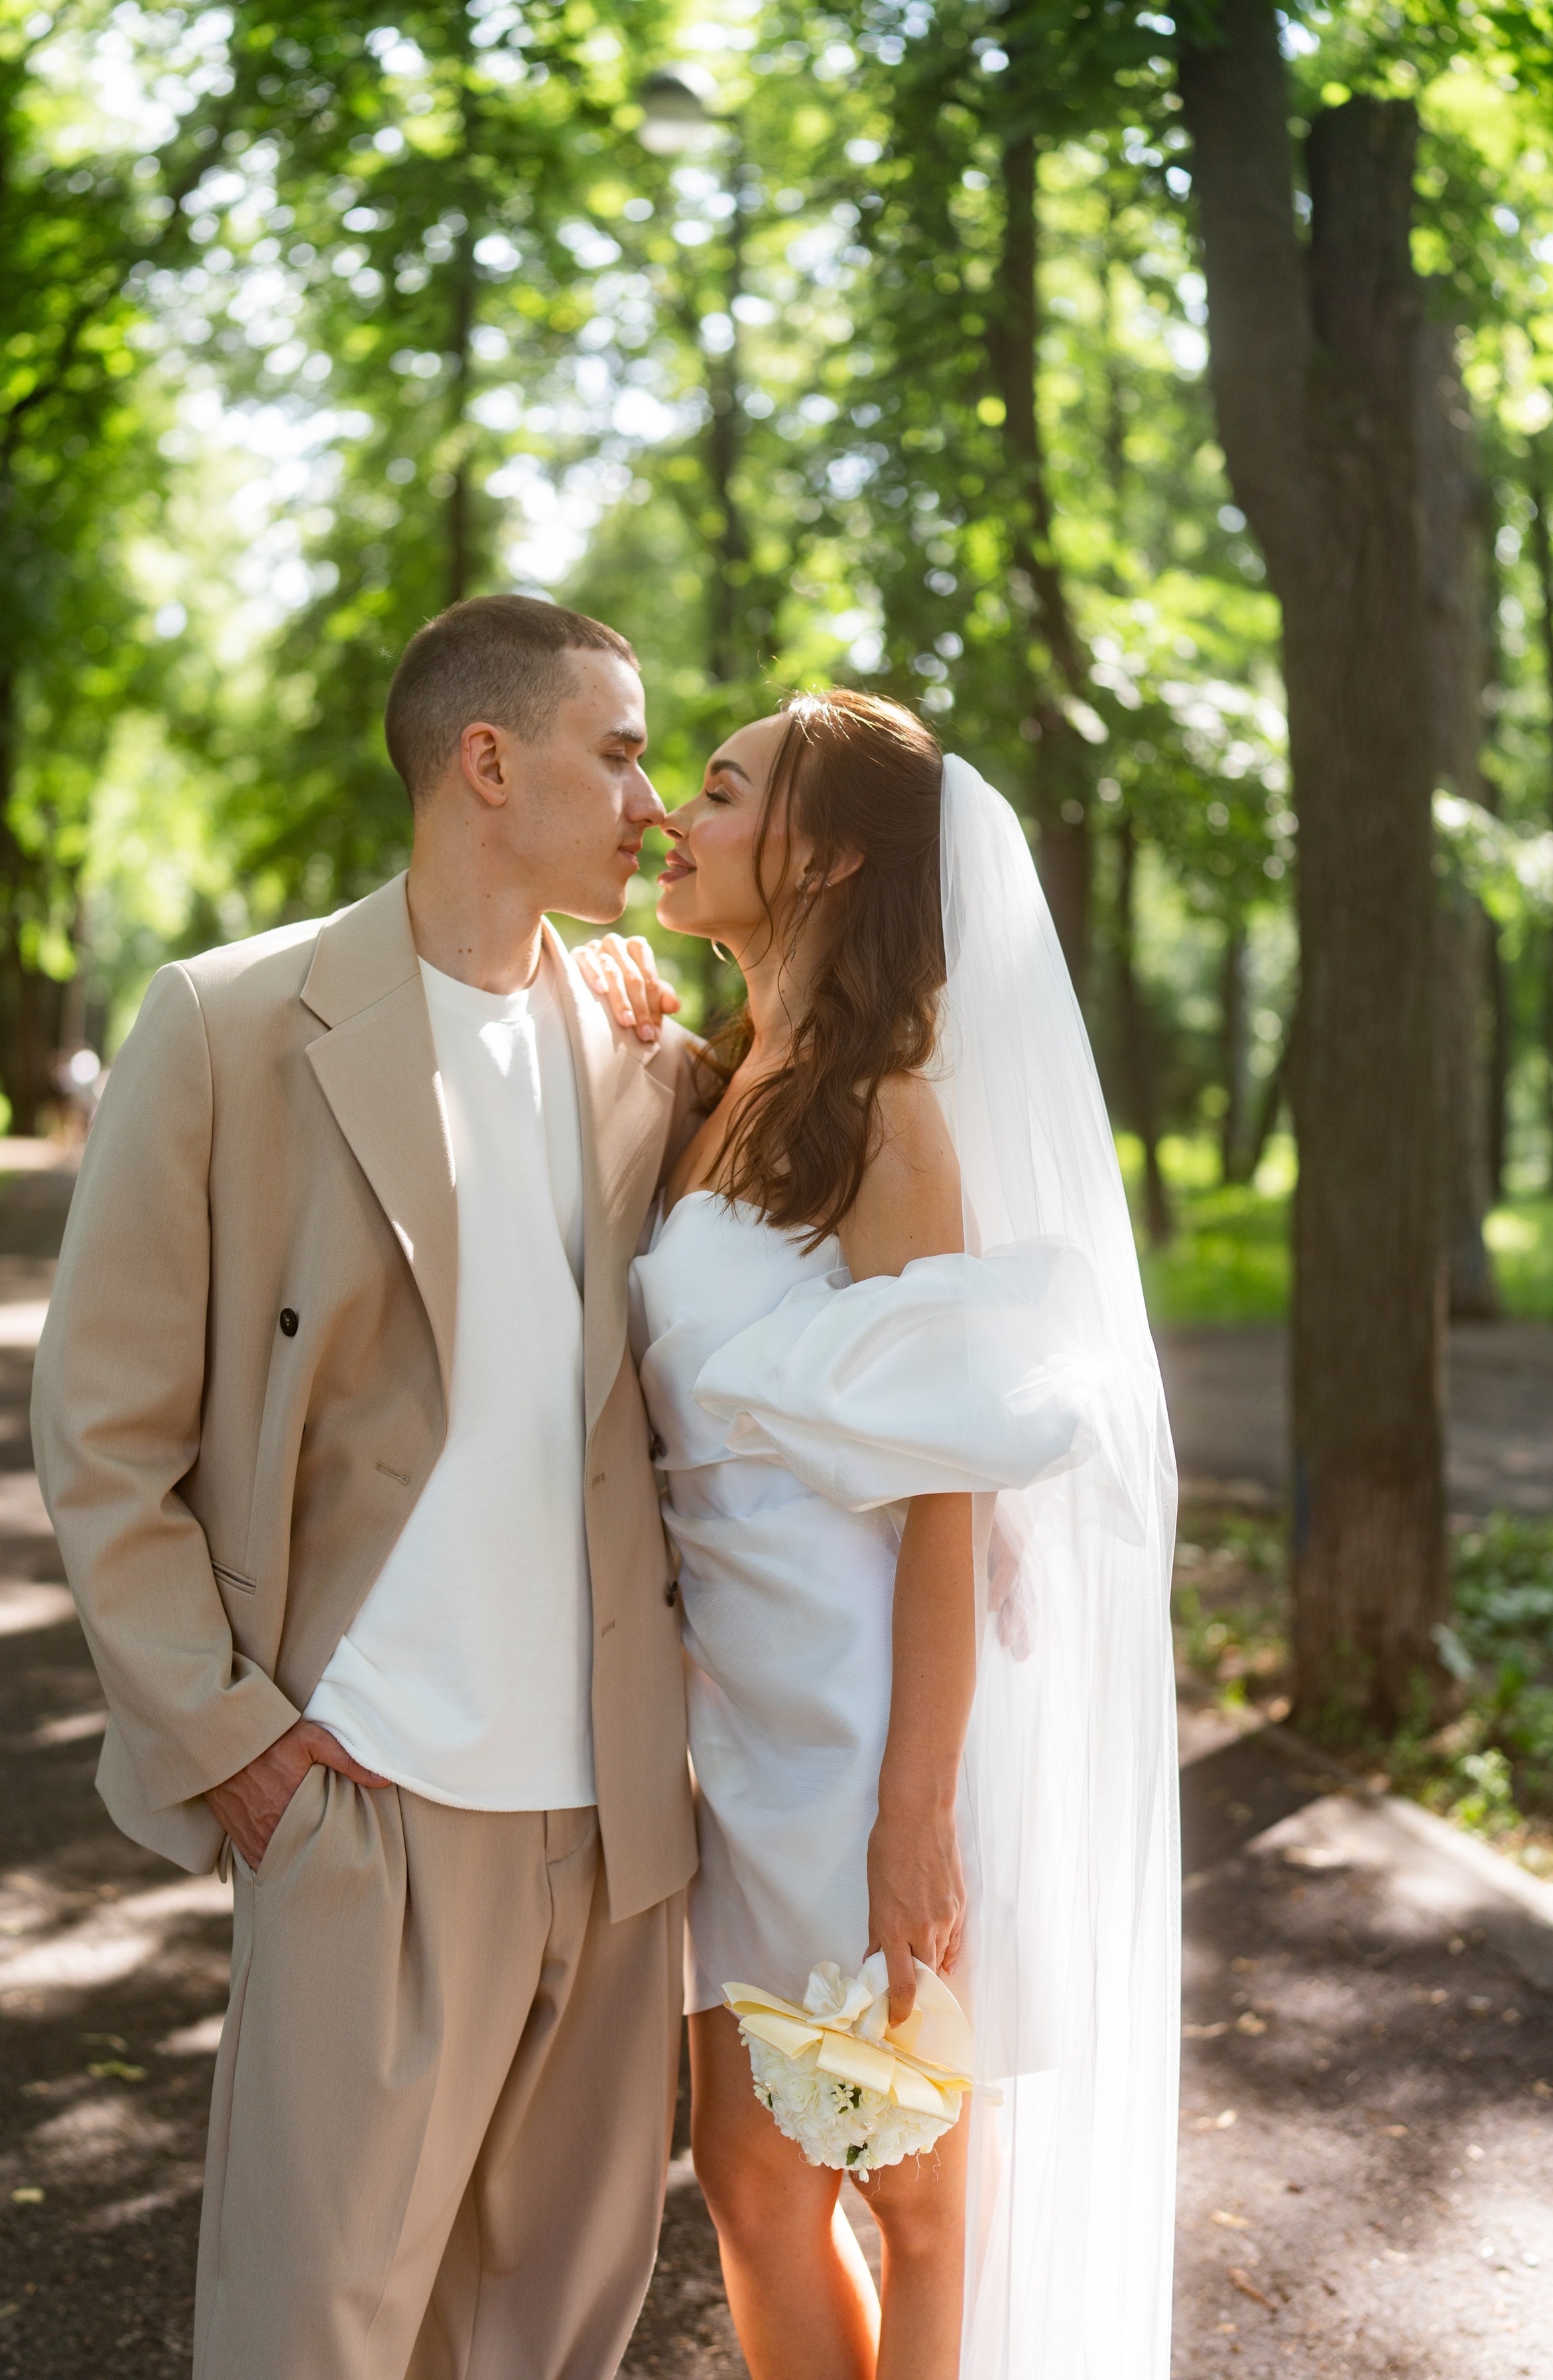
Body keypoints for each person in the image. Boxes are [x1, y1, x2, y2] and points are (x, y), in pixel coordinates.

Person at [31, 594, 700, 2380]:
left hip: (621, 1828)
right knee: (314, 2335)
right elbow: (102, 1425)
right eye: (620, 751)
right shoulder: (230, 1024)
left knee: (553, 2333)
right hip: (369, 1793)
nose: (649, 802)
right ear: (490, 761)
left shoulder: (646, 1046)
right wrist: (224, 1732)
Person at [578, 690, 1180, 2377]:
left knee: (904, 2201)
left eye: (712, 790)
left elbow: (947, 1490)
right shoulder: (717, 1087)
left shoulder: (888, 1114)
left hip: (858, 1750)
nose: (666, 822)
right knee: (755, 2203)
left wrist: (914, 1813)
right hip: (732, 1733)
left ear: (826, 850)